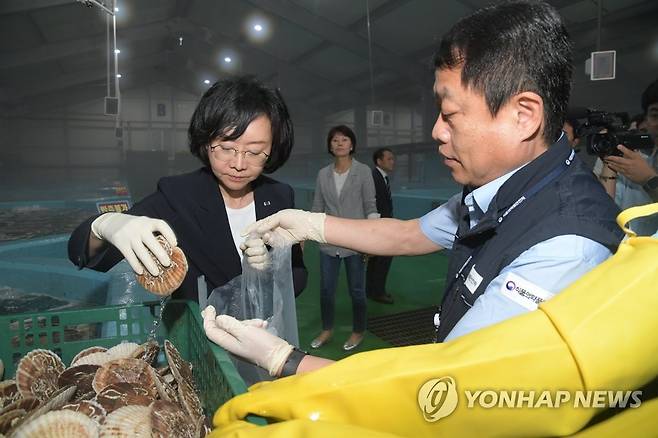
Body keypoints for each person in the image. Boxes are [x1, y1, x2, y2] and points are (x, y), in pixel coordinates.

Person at [203, 0, 623, 379]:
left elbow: (439, 391)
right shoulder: (509, 190)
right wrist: (310, 225)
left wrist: (283, 359)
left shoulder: (564, 247)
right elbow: (408, 234)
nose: (438, 131)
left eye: (450, 113)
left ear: (523, 115)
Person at [68, 76, 307, 302]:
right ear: (206, 141)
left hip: (265, 336)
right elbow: (85, 253)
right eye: (225, 148)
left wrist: (273, 269)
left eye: (254, 152)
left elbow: (298, 277)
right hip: (201, 338)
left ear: (273, 148)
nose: (239, 164)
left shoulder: (279, 196)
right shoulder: (179, 196)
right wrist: (103, 226)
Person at [308, 125, 379, 351]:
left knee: (357, 291)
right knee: (326, 290)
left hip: (355, 242)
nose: (339, 143)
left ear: (352, 145)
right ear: (330, 145)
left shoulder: (364, 171)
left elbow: (370, 205)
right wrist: (307, 232)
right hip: (328, 243)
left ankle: (358, 331)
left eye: (344, 139)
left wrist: (372, 237)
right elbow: (318, 207)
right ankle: (327, 329)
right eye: (335, 140)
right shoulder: (323, 174)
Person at [595, 79, 658, 227]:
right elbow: (602, 214)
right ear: (646, 119)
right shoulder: (633, 160)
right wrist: (609, 160)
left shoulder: (640, 167)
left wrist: (649, 179)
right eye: (655, 115)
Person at [366, 147, 396, 304]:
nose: (393, 162)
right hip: (379, 226)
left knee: (375, 260)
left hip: (381, 225)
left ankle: (371, 290)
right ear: (379, 161)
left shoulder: (381, 177)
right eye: (389, 159)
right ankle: (377, 292)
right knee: (383, 259)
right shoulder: (374, 178)